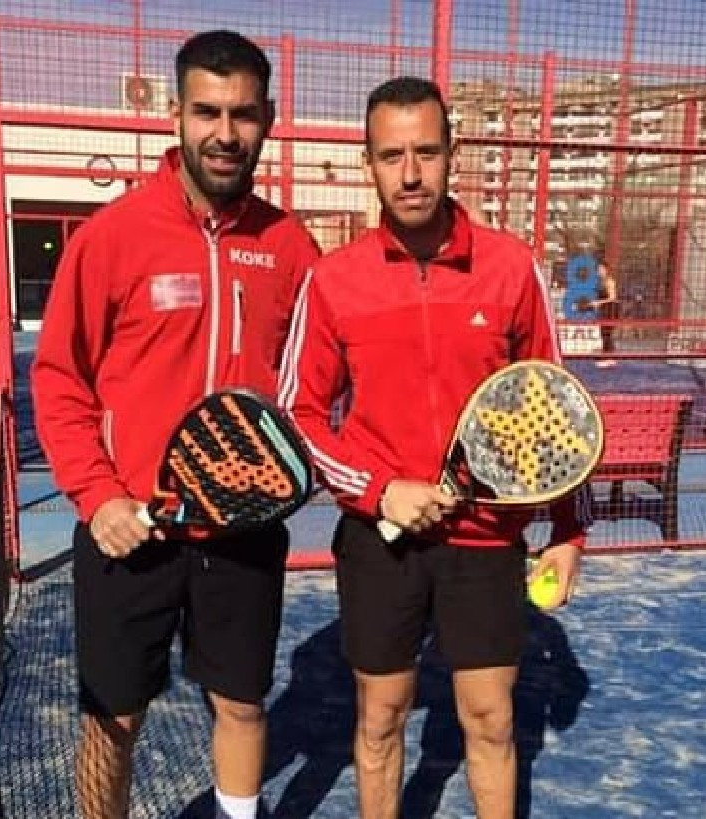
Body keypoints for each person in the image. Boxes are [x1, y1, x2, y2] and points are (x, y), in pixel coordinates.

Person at [278, 76, 589, 819]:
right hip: (379, 540)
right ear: (369, 163)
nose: (410, 173)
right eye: (392, 156)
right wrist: (380, 491)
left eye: (426, 152)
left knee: (490, 719)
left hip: (486, 537)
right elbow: (298, 413)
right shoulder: (333, 280)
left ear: (454, 152)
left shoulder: (511, 267)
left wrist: (568, 530)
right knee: (381, 718)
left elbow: (558, 406)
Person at [31, 30, 319, 819]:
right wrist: (98, 496)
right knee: (112, 720)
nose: (225, 132)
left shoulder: (290, 245)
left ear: (267, 119)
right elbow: (59, 379)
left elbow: (317, 387)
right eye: (206, 111)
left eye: (243, 114)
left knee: (243, 707)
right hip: (131, 529)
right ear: (175, 114)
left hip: (244, 530)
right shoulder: (111, 237)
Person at [591, 258, 618, 366]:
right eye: (598, 269)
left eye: (601, 269)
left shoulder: (610, 282)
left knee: (608, 334)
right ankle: (605, 356)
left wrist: (599, 302)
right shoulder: (600, 282)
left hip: (610, 310)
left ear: (606, 270)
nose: (599, 271)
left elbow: (612, 298)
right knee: (603, 333)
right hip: (603, 310)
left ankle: (610, 358)